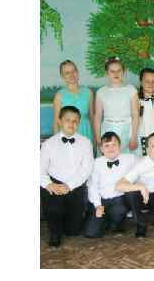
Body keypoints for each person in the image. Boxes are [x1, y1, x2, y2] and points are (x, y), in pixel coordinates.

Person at [40, 106, 93, 248]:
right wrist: (49, 184)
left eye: (75, 121)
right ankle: (54, 231)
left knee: (73, 231)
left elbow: (86, 169)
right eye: (67, 120)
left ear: (79, 123)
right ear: (59, 121)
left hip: (75, 186)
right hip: (55, 185)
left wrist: (69, 185)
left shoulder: (86, 142)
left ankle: (72, 221)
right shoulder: (48, 144)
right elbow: (40, 170)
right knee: (53, 208)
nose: (71, 124)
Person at [116, 132, 154, 238]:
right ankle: (140, 224)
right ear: (147, 149)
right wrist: (141, 187)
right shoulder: (141, 164)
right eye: (153, 146)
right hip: (142, 198)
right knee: (130, 194)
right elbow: (119, 185)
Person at [84, 132, 136, 238]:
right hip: (101, 200)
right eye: (107, 146)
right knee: (91, 233)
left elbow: (147, 162)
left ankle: (117, 224)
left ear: (120, 146)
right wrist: (98, 205)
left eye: (114, 145)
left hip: (118, 199)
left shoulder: (130, 158)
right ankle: (105, 221)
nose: (110, 148)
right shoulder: (96, 163)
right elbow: (93, 186)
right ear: (101, 149)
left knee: (119, 210)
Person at [94, 56, 139, 154]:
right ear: (107, 73)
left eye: (119, 70)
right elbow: (98, 116)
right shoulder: (101, 92)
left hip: (127, 130)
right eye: (112, 71)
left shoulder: (131, 90)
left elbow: (135, 115)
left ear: (124, 71)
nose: (116, 74)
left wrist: (134, 137)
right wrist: (98, 138)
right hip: (107, 130)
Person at [52, 60, 95, 144]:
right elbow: (56, 123)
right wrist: (57, 143)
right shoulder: (59, 95)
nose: (71, 75)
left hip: (86, 133)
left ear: (77, 72)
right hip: (67, 135)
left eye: (73, 71)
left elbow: (92, 118)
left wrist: (95, 139)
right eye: (67, 73)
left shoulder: (88, 92)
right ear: (62, 76)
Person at [137, 68, 154, 156]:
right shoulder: (136, 101)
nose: (150, 84)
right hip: (143, 138)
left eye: (153, 81)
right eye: (147, 81)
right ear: (141, 82)